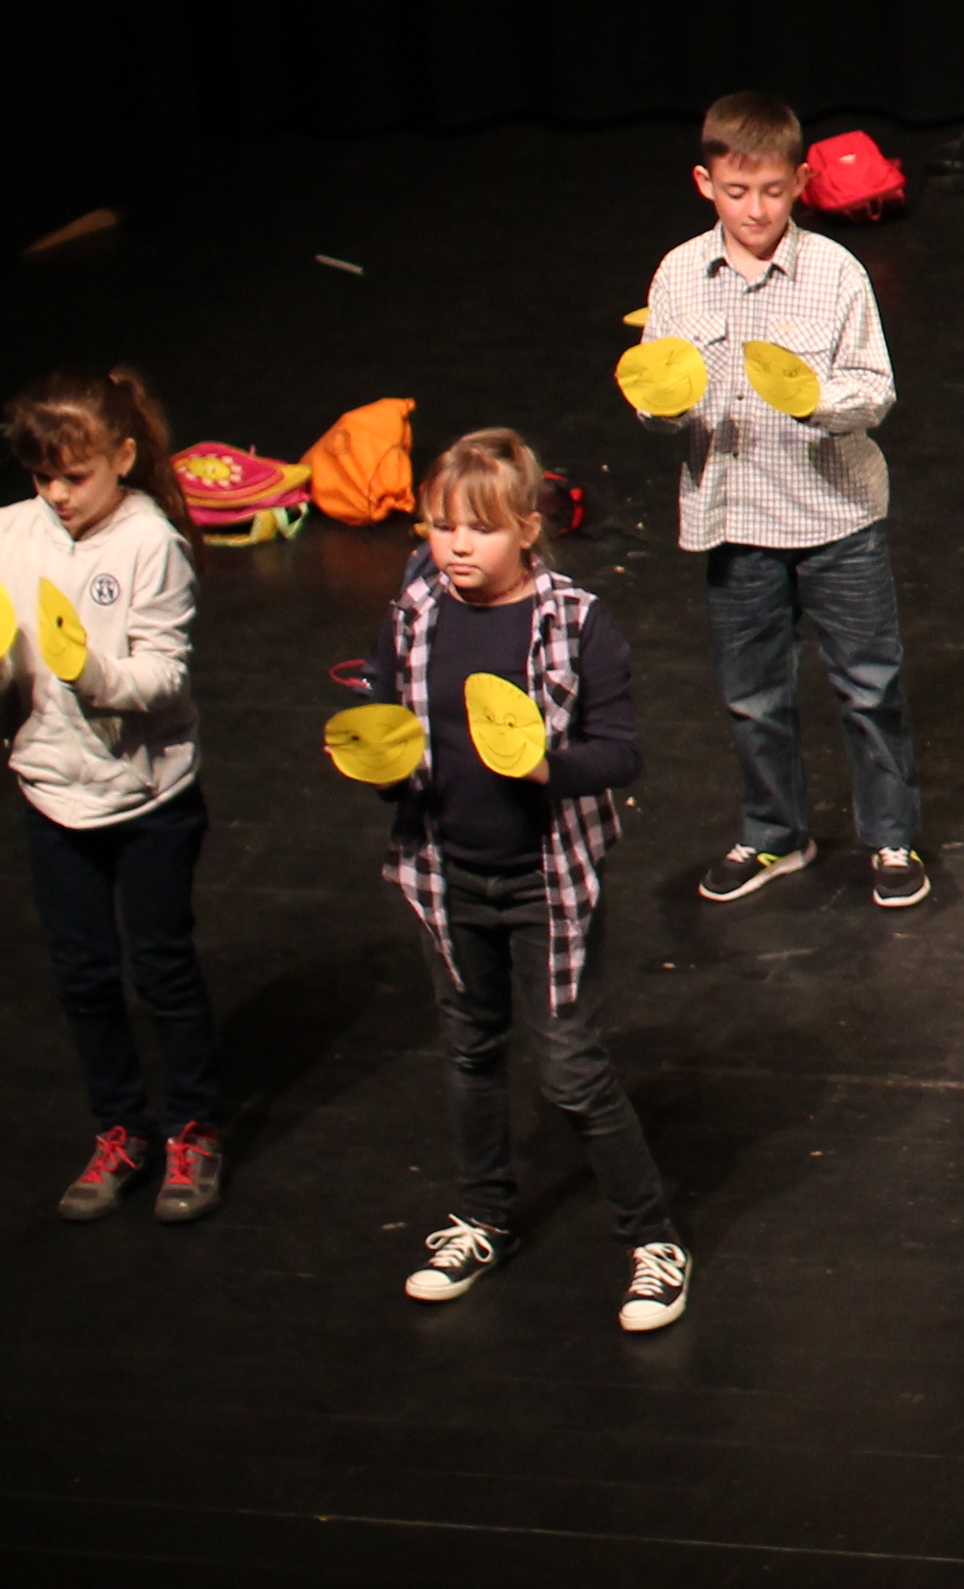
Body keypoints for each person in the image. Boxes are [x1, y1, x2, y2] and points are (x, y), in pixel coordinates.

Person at [361, 429, 692, 1332]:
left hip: (546, 880)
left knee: (572, 1070)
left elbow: (620, 753)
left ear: (526, 529)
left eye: (480, 529)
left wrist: (546, 767)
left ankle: (651, 1238)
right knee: (471, 1052)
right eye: (441, 527)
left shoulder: (576, 622)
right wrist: (377, 757)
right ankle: (484, 1217)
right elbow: (387, 709)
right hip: (445, 872)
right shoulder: (415, 610)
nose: (457, 546)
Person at [633, 91, 931, 909]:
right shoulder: (679, 275)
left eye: (772, 190)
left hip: (836, 518)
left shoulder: (835, 272)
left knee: (869, 685)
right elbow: (658, 395)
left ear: (800, 182)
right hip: (735, 520)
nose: (756, 209)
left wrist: (814, 401)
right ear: (706, 184)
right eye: (737, 192)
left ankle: (892, 837)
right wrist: (658, 406)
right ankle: (774, 833)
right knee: (752, 693)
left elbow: (874, 389)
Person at [0, 367, 225, 1224]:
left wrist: (91, 672)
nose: (57, 495)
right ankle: (121, 1127)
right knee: (81, 975)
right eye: (42, 476)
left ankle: (192, 1129)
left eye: (74, 476)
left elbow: (163, 674)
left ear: (122, 457)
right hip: (51, 788)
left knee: (163, 969)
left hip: (148, 800)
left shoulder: (151, 542)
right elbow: (1, 665)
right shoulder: (5, 533)